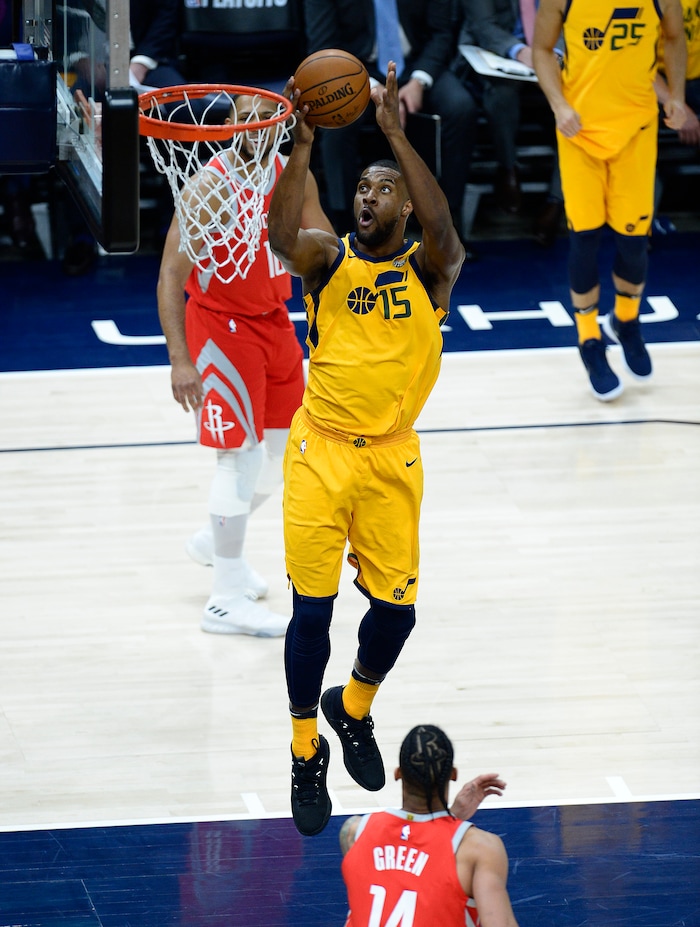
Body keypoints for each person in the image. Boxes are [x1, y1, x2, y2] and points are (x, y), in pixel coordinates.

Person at [268, 61, 466, 836]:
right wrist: (302, 147)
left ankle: (351, 709)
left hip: (391, 458)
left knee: (397, 615)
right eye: (365, 187)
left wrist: (392, 136)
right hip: (320, 453)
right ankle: (303, 747)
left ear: (405, 207)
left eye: (384, 188)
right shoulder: (328, 260)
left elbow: (447, 233)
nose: (368, 196)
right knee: (310, 613)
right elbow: (284, 236)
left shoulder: (428, 269)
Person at [156, 89, 334, 638]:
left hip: (274, 323)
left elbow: (323, 245)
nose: (255, 128)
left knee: (280, 459)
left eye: (265, 119)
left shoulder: (292, 177)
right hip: (221, 326)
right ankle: (225, 598)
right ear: (229, 125)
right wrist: (180, 360)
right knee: (239, 460)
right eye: (245, 119)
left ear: (280, 126)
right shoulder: (209, 185)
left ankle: (216, 540)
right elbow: (168, 277)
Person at [533, 0, 687, 401]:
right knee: (584, 240)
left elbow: (674, 38)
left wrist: (676, 95)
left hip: (635, 129)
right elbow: (542, 49)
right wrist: (558, 103)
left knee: (634, 243)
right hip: (579, 131)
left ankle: (626, 320)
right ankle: (588, 340)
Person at [302, 0, 479, 258]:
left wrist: (419, 80)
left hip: (418, 65)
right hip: (353, 72)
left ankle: (446, 226)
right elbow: (324, 45)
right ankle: (344, 229)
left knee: (460, 108)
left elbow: (441, 33)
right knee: (336, 123)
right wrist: (371, 86)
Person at [340, 724, 519, 927]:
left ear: (398, 774)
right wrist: (453, 818)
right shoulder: (479, 849)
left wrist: (453, 816)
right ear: (453, 774)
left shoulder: (355, 832)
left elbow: (411, 850)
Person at [452, 0, 566, 244]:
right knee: (501, 92)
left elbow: (572, 21)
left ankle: (557, 199)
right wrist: (523, 53)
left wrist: (551, 58)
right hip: (496, 54)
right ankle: (507, 167)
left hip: (550, 59)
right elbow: (483, 26)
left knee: (576, 102)